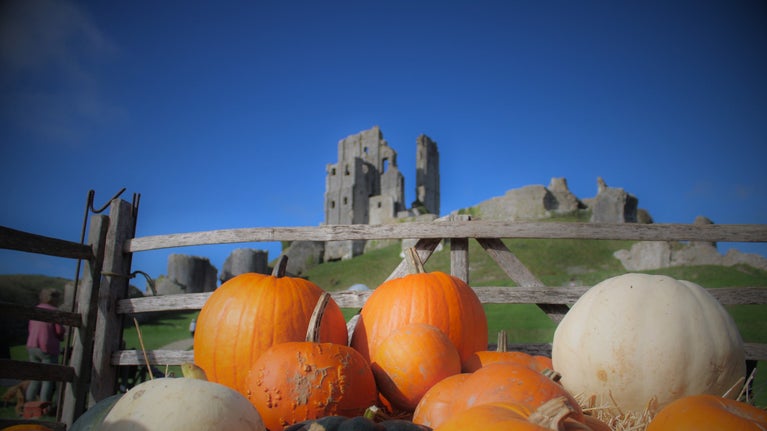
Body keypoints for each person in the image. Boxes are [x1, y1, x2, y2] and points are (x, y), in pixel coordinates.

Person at [25, 288, 65, 404]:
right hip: (47, 347)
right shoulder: (54, 311)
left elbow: (31, 327)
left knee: (35, 376)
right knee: (48, 377)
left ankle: (29, 401)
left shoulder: (36, 309)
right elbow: (59, 330)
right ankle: (44, 403)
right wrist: (61, 336)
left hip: (32, 345)